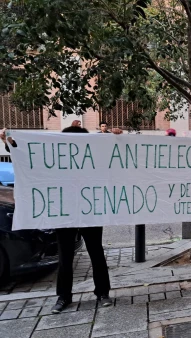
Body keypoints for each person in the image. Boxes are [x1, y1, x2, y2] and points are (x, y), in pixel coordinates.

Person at [2, 126, 114, 313]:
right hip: (65, 212)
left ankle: (103, 292)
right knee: (65, 256)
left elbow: (114, 155)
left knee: (97, 253)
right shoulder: (56, 158)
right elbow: (31, 156)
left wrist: (115, 136)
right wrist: (11, 143)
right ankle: (64, 296)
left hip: (90, 211)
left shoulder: (95, 158)